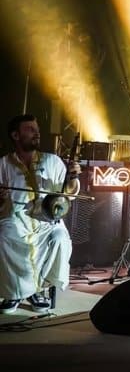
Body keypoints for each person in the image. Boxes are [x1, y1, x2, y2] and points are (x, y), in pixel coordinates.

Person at [0, 114, 81, 314]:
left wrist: (71, 178)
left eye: (37, 129)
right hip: (16, 220)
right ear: (16, 135)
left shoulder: (52, 161)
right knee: (4, 237)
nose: (36, 133)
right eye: (30, 129)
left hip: (47, 222)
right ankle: (15, 292)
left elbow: (67, 194)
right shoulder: (3, 164)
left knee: (60, 238)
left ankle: (38, 290)